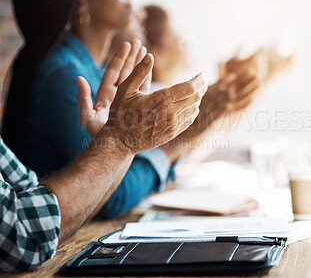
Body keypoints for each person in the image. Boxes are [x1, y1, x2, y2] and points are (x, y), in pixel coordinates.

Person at [0, 40, 208, 272]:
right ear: (84, 6)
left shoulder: (89, 67)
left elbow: (29, 192)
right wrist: (119, 142)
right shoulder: (63, 73)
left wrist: (119, 146)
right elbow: (23, 232)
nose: (137, 11)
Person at [2, 0, 191, 219]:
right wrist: (172, 148)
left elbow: (127, 167)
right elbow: (110, 198)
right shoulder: (65, 74)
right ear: (82, 2)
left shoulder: (96, 69)